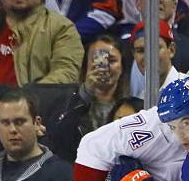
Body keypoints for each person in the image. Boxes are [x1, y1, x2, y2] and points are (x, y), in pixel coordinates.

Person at [50, 34, 130, 163]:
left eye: (112, 60)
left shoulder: (129, 105)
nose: (105, 67)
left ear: (122, 67)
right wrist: (85, 93)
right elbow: (59, 138)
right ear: (86, 66)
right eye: (97, 59)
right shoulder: (67, 101)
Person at [129, 19, 181, 100]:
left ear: (171, 50)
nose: (148, 57)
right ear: (134, 55)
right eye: (140, 51)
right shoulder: (140, 100)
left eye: (154, 48)